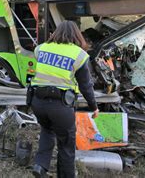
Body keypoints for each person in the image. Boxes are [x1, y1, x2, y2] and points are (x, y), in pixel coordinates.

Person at [29, 20, 99, 178]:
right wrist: (94, 107)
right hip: (60, 106)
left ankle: (40, 165)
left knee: (47, 131)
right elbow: (86, 86)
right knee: (66, 145)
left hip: (38, 103)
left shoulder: (41, 49)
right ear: (76, 34)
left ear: (56, 32)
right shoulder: (79, 55)